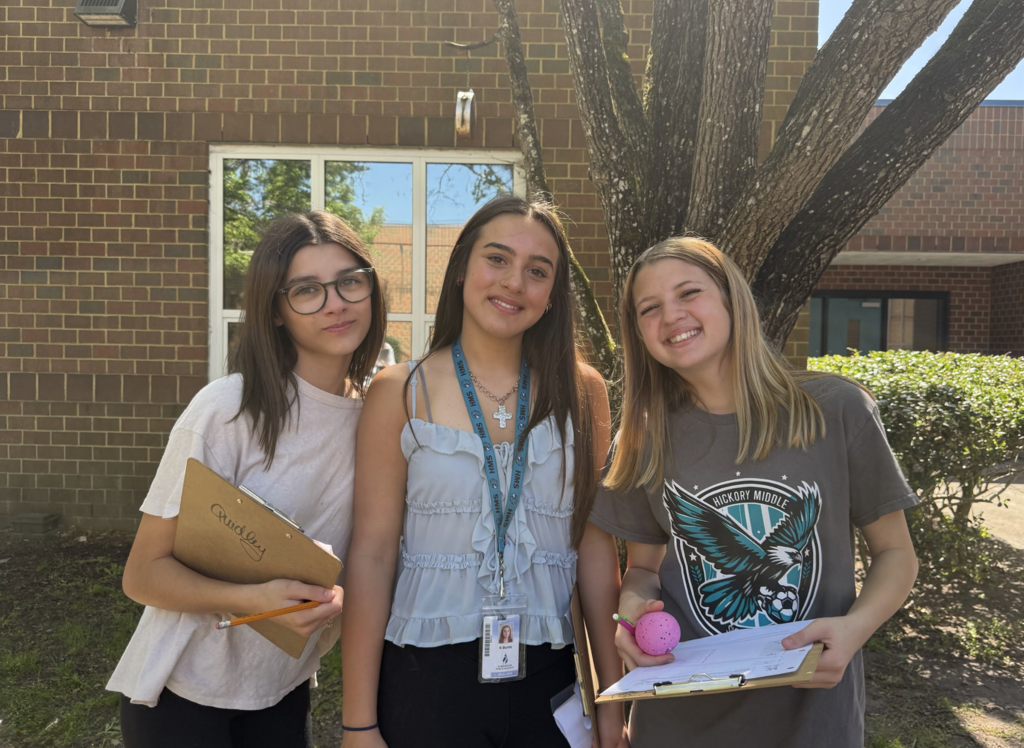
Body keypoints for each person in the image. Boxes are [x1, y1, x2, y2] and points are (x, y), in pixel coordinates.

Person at [592, 237, 919, 747]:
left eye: (689, 293)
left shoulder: (834, 410)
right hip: (680, 724)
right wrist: (631, 614)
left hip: (811, 722)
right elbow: (642, 570)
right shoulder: (644, 437)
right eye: (649, 308)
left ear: (730, 299)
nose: (671, 315)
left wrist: (855, 630)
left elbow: (897, 553)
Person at [341, 195, 627, 748]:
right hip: (423, 681)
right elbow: (372, 556)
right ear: (461, 271)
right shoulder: (400, 390)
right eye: (497, 259)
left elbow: (594, 551)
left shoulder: (583, 390)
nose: (514, 282)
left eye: (537, 271)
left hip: (548, 680)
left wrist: (613, 700)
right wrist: (358, 723)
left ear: (551, 295)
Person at [107, 211, 386, 748]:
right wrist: (251, 599)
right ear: (275, 311)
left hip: (282, 688)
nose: (336, 303)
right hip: (184, 693)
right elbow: (142, 575)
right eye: (307, 290)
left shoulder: (379, 417)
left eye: (350, 281)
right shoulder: (227, 410)